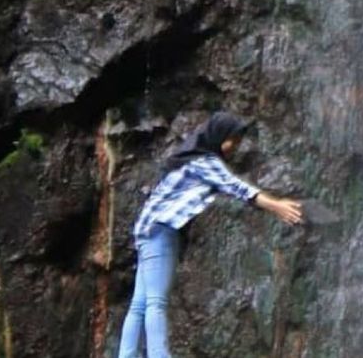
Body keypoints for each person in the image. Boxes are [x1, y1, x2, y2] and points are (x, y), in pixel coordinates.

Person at [117, 111, 303, 358]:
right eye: (233, 140)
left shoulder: (189, 159)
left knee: (140, 304)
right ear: (218, 135)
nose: (236, 146)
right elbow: (238, 188)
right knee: (156, 302)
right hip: (159, 231)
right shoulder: (204, 162)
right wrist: (277, 205)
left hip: (148, 229)